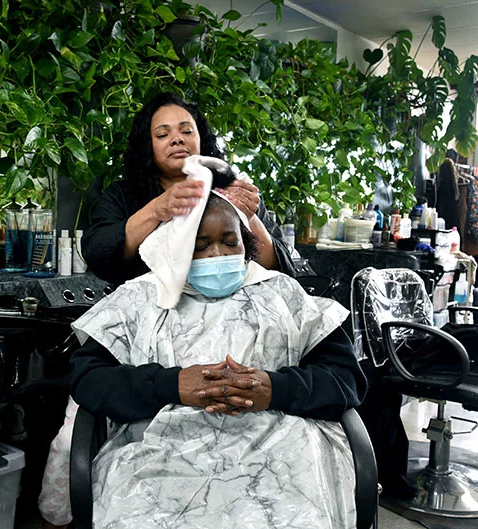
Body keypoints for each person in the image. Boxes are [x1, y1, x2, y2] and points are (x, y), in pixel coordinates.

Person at [40, 187, 367, 529]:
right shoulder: (139, 299)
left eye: (230, 242)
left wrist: (276, 389)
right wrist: (170, 385)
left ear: (247, 244)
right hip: (161, 454)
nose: (217, 254)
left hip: (280, 451)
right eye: (200, 246)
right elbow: (88, 378)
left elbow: (345, 378)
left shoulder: (284, 295)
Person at [82, 92, 294, 285]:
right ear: (147, 145)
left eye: (187, 131)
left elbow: (284, 269)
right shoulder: (121, 195)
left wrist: (247, 216)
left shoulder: (233, 189)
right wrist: (155, 210)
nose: (177, 139)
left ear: (201, 138)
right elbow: (99, 255)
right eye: (163, 135)